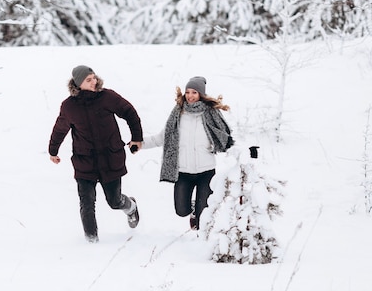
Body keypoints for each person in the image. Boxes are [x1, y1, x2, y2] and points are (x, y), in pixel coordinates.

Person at [49, 65, 143, 243]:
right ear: (78, 84)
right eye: (88, 80)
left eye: (94, 77)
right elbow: (60, 129)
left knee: (114, 201)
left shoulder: (107, 97)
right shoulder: (69, 106)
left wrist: (136, 138)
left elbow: (129, 112)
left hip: (110, 158)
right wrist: (53, 150)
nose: (94, 81)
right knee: (87, 203)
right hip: (85, 161)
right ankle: (91, 243)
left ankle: (130, 207)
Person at [141, 76, 234, 231]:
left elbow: (226, 139)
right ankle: (192, 208)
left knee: (202, 217)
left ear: (201, 94)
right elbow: (161, 138)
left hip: (206, 172)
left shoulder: (211, 114)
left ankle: (201, 239)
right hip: (183, 172)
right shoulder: (178, 114)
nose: (190, 96)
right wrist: (139, 144)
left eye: (194, 92)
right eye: (188, 92)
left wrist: (245, 151)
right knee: (181, 210)